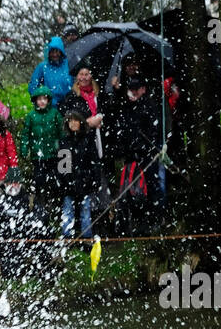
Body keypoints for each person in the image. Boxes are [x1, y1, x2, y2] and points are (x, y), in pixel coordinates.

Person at [113, 78, 169, 235]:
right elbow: (122, 127)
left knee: (151, 187)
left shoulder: (149, 106)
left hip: (147, 156)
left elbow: (153, 130)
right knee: (130, 189)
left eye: (137, 88)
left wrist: (144, 146)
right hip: (131, 156)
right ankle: (135, 223)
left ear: (143, 89)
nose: (134, 91)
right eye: (131, 88)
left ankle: (154, 220)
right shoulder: (126, 106)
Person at [19, 86, 63, 222]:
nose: (42, 102)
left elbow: (61, 133)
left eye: (44, 99)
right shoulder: (31, 116)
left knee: (55, 182)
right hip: (37, 156)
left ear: (48, 100)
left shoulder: (55, 114)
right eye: (39, 99)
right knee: (39, 182)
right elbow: (25, 134)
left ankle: (54, 208)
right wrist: (24, 148)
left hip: (53, 155)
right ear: (35, 101)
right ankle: (40, 208)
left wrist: (62, 149)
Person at [57, 109, 101, 239]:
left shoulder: (88, 140)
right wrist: (64, 182)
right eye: (70, 121)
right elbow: (62, 166)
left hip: (85, 181)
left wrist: (94, 179)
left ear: (80, 122)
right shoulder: (64, 141)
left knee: (86, 211)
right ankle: (67, 237)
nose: (73, 123)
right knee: (68, 210)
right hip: (69, 182)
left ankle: (87, 237)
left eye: (75, 120)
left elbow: (94, 162)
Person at [29, 37, 73, 102]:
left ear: (61, 51)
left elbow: (77, 80)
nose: (54, 54)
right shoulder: (43, 67)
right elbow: (33, 85)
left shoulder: (68, 63)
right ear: (48, 52)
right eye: (52, 52)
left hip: (69, 103)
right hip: (51, 107)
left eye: (57, 51)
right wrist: (41, 100)